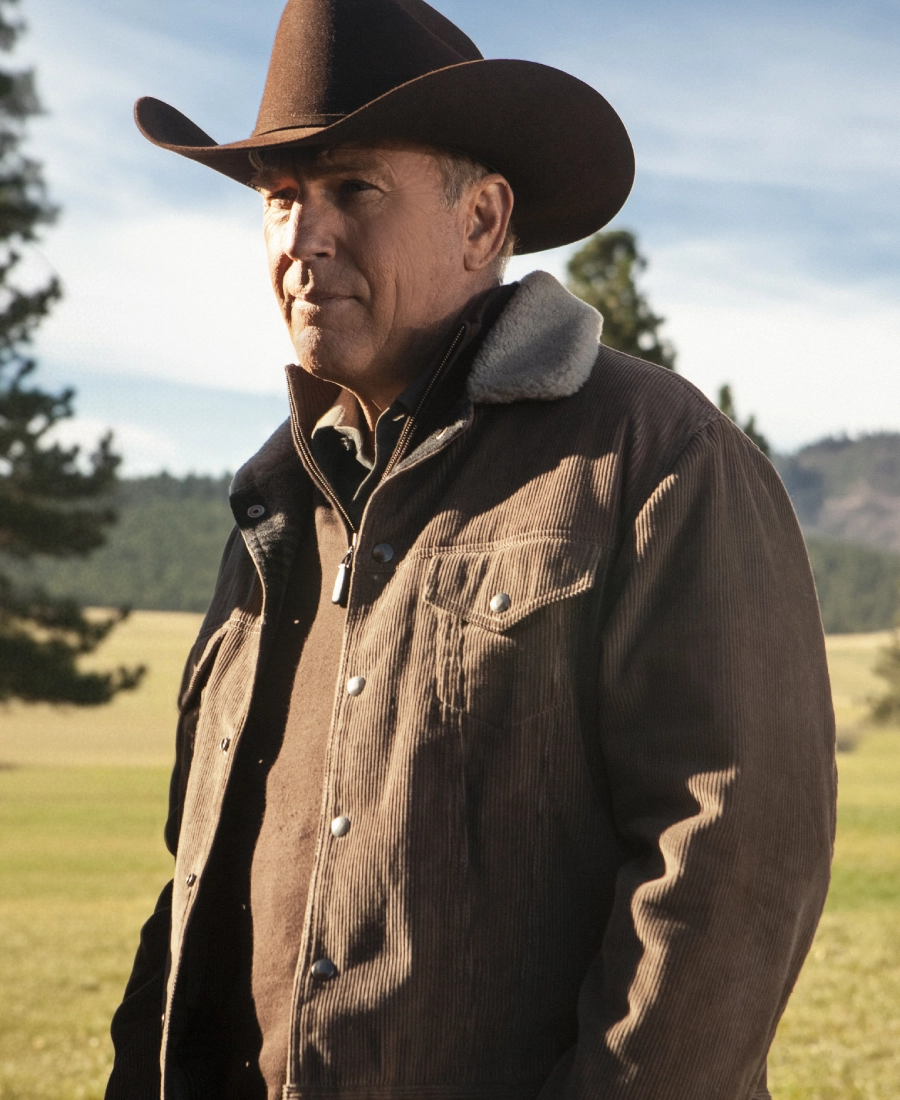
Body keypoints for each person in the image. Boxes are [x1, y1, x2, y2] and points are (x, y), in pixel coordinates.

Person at [106, 2, 836, 1098]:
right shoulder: (275, 503)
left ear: (484, 221)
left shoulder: (656, 457)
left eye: (352, 188)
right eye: (279, 199)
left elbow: (731, 873)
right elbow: (201, 872)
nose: (304, 239)